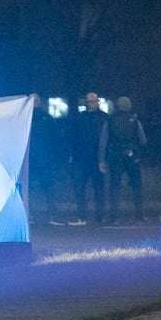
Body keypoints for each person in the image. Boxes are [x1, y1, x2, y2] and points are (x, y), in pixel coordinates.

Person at [100, 96, 148, 223]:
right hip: (132, 156)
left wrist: (102, 159)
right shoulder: (135, 120)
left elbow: (103, 141)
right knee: (136, 186)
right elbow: (143, 140)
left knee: (115, 186)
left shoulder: (110, 121)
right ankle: (139, 216)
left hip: (115, 156)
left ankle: (113, 217)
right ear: (129, 105)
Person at [64, 92, 107, 226]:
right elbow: (73, 137)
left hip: (97, 158)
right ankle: (82, 216)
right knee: (79, 188)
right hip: (81, 158)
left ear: (98, 102)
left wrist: (104, 158)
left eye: (94, 101)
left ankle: (100, 216)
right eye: (89, 101)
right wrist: (73, 154)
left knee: (99, 188)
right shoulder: (80, 117)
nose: (91, 104)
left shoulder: (104, 118)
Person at [27, 94, 64, 226]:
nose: (35, 103)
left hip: (42, 158)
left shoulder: (45, 118)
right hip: (32, 159)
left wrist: (56, 156)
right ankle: (31, 214)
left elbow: (55, 138)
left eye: (36, 100)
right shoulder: (29, 117)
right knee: (32, 188)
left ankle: (51, 214)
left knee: (47, 187)